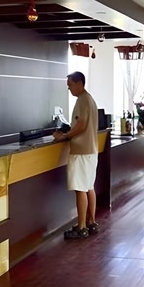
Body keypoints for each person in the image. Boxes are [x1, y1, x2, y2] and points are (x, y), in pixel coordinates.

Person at [53, 71, 99, 240]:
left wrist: (64, 136)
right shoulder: (90, 99)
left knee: (80, 189)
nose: (69, 89)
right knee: (89, 187)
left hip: (81, 151)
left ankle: (81, 228)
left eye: (70, 85)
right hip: (91, 151)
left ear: (79, 83)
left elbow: (81, 125)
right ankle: (91, 222)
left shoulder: (82, 100)